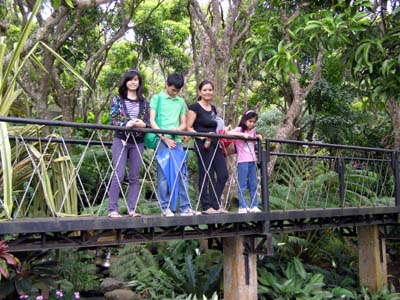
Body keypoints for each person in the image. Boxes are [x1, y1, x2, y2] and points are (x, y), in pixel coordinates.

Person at [150, 73, 198, 217]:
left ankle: (185, 207)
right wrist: (164, 138)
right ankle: (165, 207)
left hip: (176, 141)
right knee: (164, 175)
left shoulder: (180, 101)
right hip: (162, 140)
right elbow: (152, 121)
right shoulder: (157, 98)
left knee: (182, 174)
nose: (174, 93)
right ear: (166, 84)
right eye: (172, 90)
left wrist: (178, 129)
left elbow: (183, 122)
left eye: (177, 91)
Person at [108, 69, 150, 218]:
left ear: (139, 82)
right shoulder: (117, 99)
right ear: (125, 81)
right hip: (121, 139)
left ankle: (132, 209)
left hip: (137, 141)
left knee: (134, 177)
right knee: (118, 174)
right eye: (130, 79)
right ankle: (112, 209)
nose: (133, 82)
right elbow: (113, 119)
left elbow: (148, 122)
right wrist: (127, 123)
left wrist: (142, 124)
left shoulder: (144, 102)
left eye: (136, 80)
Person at [187, 80, 229, 214]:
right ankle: (206, 206)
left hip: (215, 143)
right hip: (202, 144)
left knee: (223, 174)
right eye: (205, 90)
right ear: (200, 92)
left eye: (210, 90)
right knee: (206, 173)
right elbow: (188, 128)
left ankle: (216, 204)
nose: (207, 92)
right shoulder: (194, 107)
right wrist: (202, 136)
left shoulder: (213, 109)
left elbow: (215, 125)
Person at [228, 110, 263, 213]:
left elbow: (254, 139)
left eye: (254, 122)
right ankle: (243, 206)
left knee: (253, 184)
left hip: (252, 160)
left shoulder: (253, 131)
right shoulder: (239, 129)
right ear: (244, 120)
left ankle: (254, 205)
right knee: (242, 184)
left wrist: (257, 136)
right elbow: (228, 133)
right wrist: (242, 135)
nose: (251, 124)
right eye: (250, 121)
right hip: (243, 161)